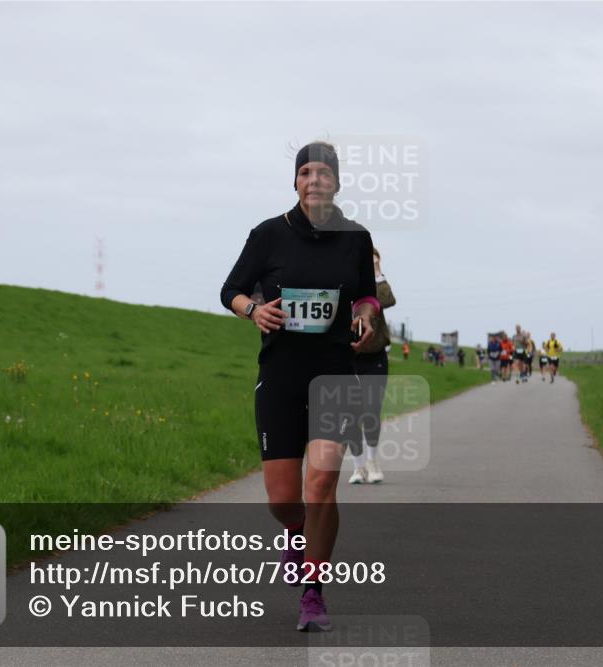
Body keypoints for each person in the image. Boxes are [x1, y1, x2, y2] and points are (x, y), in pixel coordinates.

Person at [220, 141, 379, 632]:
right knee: (284, 498)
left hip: (334, 373)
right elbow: (231, 290)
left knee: (323, 483)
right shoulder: (269, 235)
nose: (315, 180)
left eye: (324, 173)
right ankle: (294, 531)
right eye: (306, 172)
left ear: (336, 182)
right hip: (282, 375)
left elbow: (366, 294)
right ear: (295, 181)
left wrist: (366, 316)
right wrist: (254, 310)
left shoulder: (355, 238)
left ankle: (314, 591)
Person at [349, 247, 396, 485]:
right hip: (347, 356)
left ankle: (372, 461)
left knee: (371, 411)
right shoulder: (342, 280)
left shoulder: (373, 286)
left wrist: (377, 270)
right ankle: (358, 467)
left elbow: (387, 300)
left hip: (374, 355)